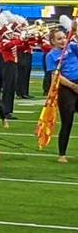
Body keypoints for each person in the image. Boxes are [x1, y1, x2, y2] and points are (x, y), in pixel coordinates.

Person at [44, 27, 78, 164]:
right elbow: (56, 76)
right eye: (59, 39)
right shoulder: (50, 56)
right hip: (66, 89)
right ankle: (62, 154)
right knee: (67, 122)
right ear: (52, 41)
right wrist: (73, 86)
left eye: (64, 38)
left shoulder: (72, 47)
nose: (63, 41)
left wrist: (75, 32)